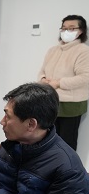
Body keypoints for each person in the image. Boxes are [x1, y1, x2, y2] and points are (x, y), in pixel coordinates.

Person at [38, 14, 89, 150]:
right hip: (50, 100)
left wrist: (58, 83)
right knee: (48, 138)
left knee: (67, 142)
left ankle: (66, 170)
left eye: (72, 28)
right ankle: (49, 168)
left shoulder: (83, 51)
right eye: (64, 28)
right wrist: (43, 79)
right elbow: (42, 71)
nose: (67, 31)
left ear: (81, 31)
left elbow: (85, 77)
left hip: (71, 104)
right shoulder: (53, 50)